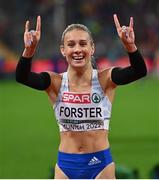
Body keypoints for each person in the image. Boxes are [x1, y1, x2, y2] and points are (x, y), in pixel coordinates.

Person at [16, 14, 147, 179]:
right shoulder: (55, 83)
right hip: (66, 166)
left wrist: (130, 46)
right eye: (71, 45)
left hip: (101, 166)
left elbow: (139, 71)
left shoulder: (105, 79)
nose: (77, 49)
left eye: (83, 44)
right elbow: (22, 77)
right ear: (63, 50)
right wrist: (29, 51)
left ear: (92, 48)